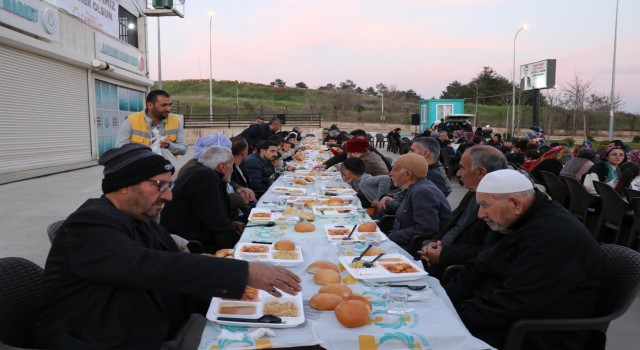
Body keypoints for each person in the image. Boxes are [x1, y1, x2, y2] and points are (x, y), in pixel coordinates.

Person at [33, 143, 301, 349]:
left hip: (162, 320)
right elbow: (143, 266)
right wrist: (243, 273)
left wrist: (208, 260)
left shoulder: (138, 215)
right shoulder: (89, 222)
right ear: (124, 187)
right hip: (106, 338)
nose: (169, 195)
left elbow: (167, 256)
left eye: (169, 185)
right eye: (159, 185)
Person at [444, 169, 602, 349]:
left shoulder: (551, 238)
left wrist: (453, 317)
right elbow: (478, 267)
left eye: (485, 205)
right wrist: (443, 300)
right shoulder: (513, 219)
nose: (480, 214)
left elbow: (512, 305)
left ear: (515, 203)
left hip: (535, 335)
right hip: (502, 317)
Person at [418, 145, 508, 278]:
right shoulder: (472, 193)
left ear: (481, 172)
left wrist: (443, 254)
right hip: (438, 258)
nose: (458, 173)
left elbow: (489, 252)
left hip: (457, 271)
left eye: (462, 168)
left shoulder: (500, 206)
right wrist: (433, 243)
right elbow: (452, 225)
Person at [161, 146, 245, 253]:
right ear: (222, 167)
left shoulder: (200, 172)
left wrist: (231, 223)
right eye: (232, 166)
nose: (233, 169)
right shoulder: (205, 177)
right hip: (192, 245)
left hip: (194, 235)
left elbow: (212, 213)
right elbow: (216, 221)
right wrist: (238, 248)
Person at [387, 153, 452, 252]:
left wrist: (390, 238)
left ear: (407, 175)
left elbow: (426, 228)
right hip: (403, 242)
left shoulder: (422, 191)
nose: (390, 173)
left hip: (413, 250)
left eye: (394, 169)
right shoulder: (417, 187)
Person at [115, 90, 187, 156]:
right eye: (163, 105)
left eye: (169, 105)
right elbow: (120, 149)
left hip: (166, 168)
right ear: (150, 105)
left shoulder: (175, 121)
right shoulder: (131, 121)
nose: (168, 109)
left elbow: (183, 149)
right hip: (139, 168)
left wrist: (169, 146)